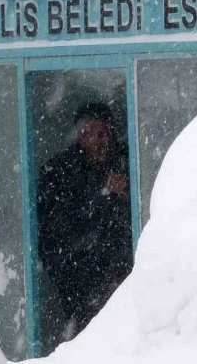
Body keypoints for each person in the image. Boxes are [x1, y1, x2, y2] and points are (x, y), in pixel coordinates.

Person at [37, 102, 134, 340]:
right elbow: (60, 228)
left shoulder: (128, 160)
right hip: (80, 279)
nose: (105, 141)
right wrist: (103, 194)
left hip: (122, 271)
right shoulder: (61, 172)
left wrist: (128, 194)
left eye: (108, 133)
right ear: (81, 135)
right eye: (96, 134)